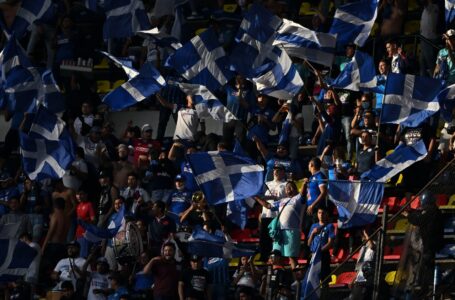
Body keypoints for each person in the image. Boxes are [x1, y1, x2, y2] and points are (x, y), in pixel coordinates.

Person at [402, 191, 444, 298]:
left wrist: (409, 215)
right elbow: (420, 215)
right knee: (425, 266)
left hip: (431, 244)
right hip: (430, 243)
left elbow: (419, 219)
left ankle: (427, 289)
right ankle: (425, 288)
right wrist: (412, 213)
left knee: (427, 267)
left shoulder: (432, 211)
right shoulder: (434, 211)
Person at [255, 181, 306, 269]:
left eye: (291, 187)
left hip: (291, 231)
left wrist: (304, 185)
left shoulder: (298, 199)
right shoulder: (282, 201)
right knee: (275, 255)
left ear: (295, 189)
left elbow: (303, 194)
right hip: (279, 231)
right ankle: (279, 275)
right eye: (287, 188)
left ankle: (296, 280)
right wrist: (256, 197)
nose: (288, 189)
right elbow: (268, 206)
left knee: (292, 257)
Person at [307, 207, 335, 296]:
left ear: (327, 214)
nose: (321, 215)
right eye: (319, 213)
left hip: (323, 255)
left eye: (323, 213)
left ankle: (325, 297)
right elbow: (308, 243)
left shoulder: (330, 226)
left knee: (325, 279)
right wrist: (312, 233)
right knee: (312, 278)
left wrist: (320, 251)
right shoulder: (313, 226)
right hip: (313, 255)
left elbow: (330, 243)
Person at [348, 229, 376, 300]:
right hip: (359, 280)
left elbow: (372, 246)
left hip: (367, 279)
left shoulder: (373, 244)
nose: (361, 238)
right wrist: (353, 280)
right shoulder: (363, 248)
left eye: (362, 236)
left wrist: (366, 235)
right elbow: (359, 267)